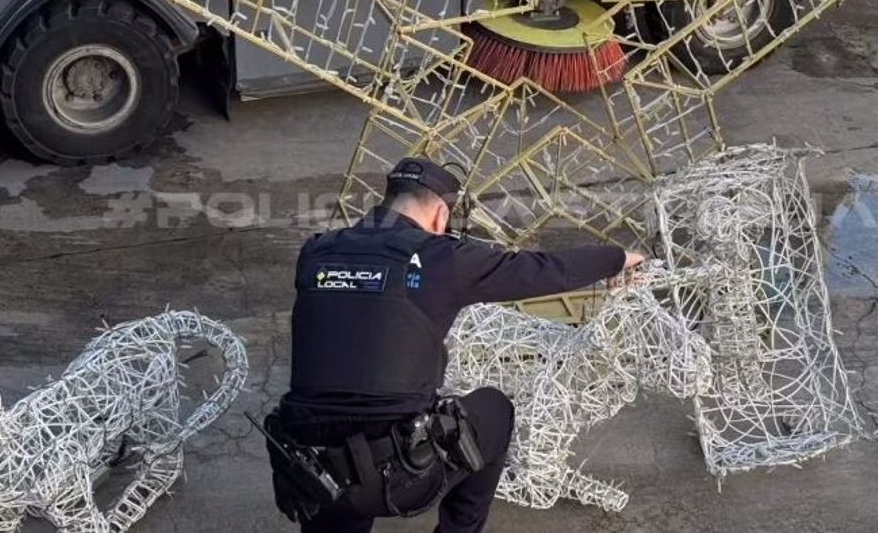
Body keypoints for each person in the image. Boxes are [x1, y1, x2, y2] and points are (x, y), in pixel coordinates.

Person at [263, 157, 645, 533]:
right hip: (403, 476)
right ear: (440, 215)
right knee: (495, 411)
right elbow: (540, 270)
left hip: (312, 473)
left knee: (338, 418)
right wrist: (618, 258)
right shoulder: (438, 257)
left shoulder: (315, 251)